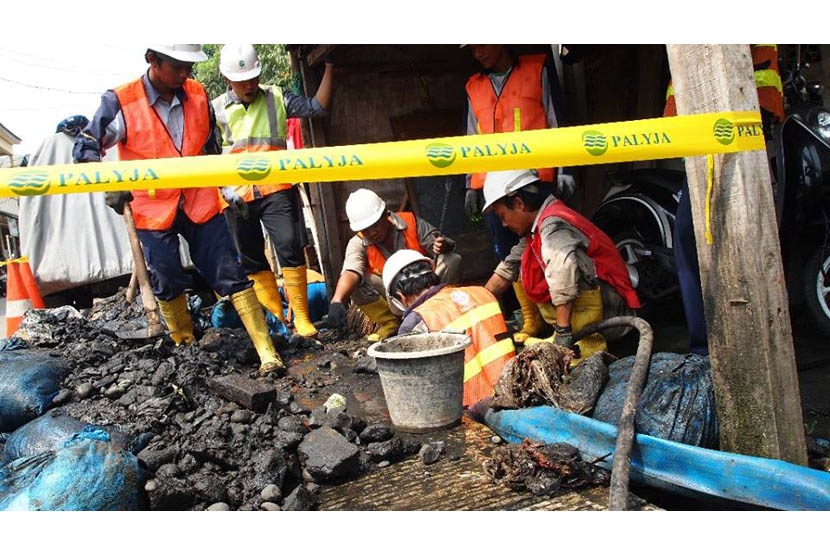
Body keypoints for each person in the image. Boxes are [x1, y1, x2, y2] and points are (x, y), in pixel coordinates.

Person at [73, 44, 283, 375]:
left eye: (189, 67)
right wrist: (108, 184)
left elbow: (209, 148)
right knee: (168, 278)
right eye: (177, 67)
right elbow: (85, 145)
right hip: (152, 206)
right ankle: (186, 349)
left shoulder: (197, 94)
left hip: (199, 200)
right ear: (152, 60)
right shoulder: (121, 102)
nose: (185, 74)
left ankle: (267, 352)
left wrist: (227, 189)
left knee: (230, 271)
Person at [665, 44, 784, 356]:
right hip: (702, 134)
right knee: (692, 240)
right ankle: (711, 347)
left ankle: (733, 345)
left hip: (736, 129)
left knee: (729, 243)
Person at [212, 44, 334, 338]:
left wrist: (331, 66)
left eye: (254, 78)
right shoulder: (213, 109)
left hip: (276, 188)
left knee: (290, 246)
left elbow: (316, 108)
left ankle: (302, 318)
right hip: (235, 194)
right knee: (251, 257)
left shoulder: (277, 97)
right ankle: (277, 320)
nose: (250, 85)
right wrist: (225, 190)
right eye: (243, 80)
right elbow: (207, 152)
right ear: (228, 79)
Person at [462, 44, 569, 345]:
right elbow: (471, 139)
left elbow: (556, 121)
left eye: (481, 44)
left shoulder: (538, 69)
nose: (478, 53)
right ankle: (531, 318)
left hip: (533, 180)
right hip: (496, 188)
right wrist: (471, 183)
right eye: (472, 48)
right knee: (509, 252)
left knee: (547, 250)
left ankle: (560, 322)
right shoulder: (473, 87)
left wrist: (567, 168)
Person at [482, 169, 641, 363]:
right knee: (524, 263)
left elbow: (562, 271)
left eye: (502, 216)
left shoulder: (553, 224)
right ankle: (562, 330)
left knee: (560, 266)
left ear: (519, 203)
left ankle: (586, 344)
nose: (504, 224)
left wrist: (563, 334)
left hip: (613, 314)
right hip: (601, 308)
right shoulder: (536, 227)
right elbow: (508, 268)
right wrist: (478, 304)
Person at [382, 250, 514, 406]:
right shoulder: (483, 293)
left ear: (400, 297)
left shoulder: (415, 322)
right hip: (515, 389)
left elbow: (412, 384)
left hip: (469, 407)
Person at [326, 188, 462, 341]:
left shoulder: (411, 222)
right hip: (394, 295)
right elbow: (351, 270)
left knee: (452, 259)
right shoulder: (358, 243)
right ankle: (391, 322)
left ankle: (444, 307)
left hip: (425, 287)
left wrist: (444, 246)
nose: (372, 233)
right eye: (366, 230)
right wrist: (337, 300)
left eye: (375, 225)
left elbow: (441, 243)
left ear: (386, 215)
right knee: (356, 282)